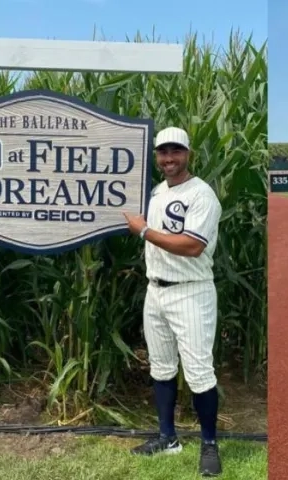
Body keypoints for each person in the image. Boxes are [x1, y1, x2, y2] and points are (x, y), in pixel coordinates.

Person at [123, 126, 224, 477]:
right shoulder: (155, 192)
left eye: (175, 152)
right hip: (157, 290)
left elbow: (192, 245)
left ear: (188, 154)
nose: (169, 159)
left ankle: (209, 443)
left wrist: (144, 231)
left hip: (191, 290)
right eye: (163, 153)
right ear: (157, 156)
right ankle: (168, 437)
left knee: (198, 372)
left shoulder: (202, 194)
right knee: (161, 367)